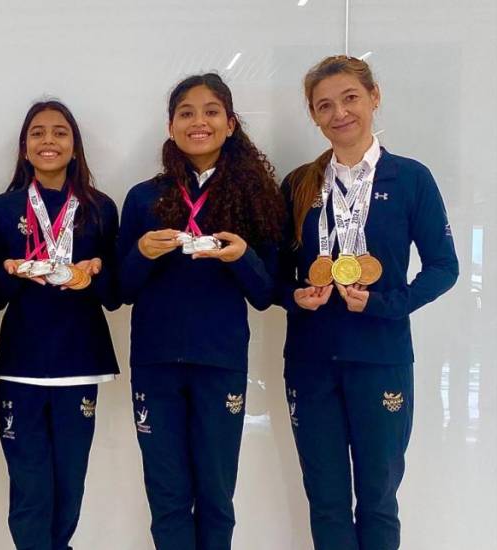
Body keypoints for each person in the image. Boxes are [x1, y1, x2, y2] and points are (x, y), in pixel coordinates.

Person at [276, 55, 459, 550]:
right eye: (325, 105)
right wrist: (295, 293)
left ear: (374, 97)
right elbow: (275, 274)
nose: (340, 113)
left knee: (378, 499)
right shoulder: (299, 184)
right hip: (312, 361)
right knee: (327, 500)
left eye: (350, 98)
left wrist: (383, 303)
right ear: (313, 115)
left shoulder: (411, 179)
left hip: (381, 358)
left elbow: (445, 267)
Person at [117, 73, 285, 550]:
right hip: (156, 362)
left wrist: (241, 257)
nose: (199, 121)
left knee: (216, 495)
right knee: (167, 496)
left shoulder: (253, 197)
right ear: (170, 126)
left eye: (212, 111)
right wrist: (142, 254)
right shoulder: (143, 198)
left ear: (230, 123)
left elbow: (266, 292)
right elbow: (121, 290)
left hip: (220, 361)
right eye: (186, 112)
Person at [0, 100, 120, 550]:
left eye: (60, 132)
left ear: (75, 146)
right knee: (28, 482)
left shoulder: (100, 208)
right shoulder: (3, 209)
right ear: (25, 149)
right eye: (38, 133)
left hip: (80, 357)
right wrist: (7, 270)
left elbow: (115, 296)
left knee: (69, 481)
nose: (49, 141)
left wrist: (98, 272)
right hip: (22, 359)